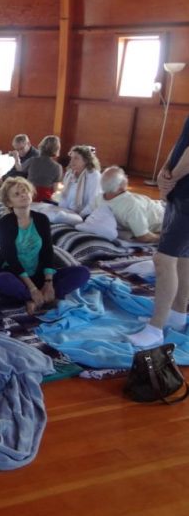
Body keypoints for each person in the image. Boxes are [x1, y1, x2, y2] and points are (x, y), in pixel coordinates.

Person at [128, 114, 189, 347]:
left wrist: (172, 177)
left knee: (163, 260)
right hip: (181, 187)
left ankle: (155, 329)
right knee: (183, 257)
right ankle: (177, 315)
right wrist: (166, 169)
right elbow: (182, 142)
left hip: (186, 191)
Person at [0, 177, 90, 315]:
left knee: (83, 272)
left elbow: (47, 251)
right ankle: (30, 298)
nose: (23, 195)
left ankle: (49, 295)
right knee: (1, 281)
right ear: (9, 202)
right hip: (14, 274)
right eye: (17, 194)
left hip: (39, 275)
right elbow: (11, 258)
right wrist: (32, 289)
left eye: (25, 191)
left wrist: (48, 283)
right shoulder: (5, 223)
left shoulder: (41, 219)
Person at [101, 166, 164, 242]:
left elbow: (86, 216)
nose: (127, 177)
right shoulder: (131, 205)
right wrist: (163, 238)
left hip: (159, 204)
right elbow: (144, 237)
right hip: (166, 214)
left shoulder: (99, 198)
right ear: (120, 187)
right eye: (124, 176)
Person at [57, 145, 102, 217]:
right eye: (71, 158)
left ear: (86, 161)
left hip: (86, 215)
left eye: (76, 158)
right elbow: (63, 198)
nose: (72, 161)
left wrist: (80, 215)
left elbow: (93, 202)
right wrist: (60, 211)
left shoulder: (94, 176)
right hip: (68, 214)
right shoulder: (69, 174)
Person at [21, 135, 63, 202]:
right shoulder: (58, 167)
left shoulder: (32, 160)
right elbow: (56, 189)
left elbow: (20, 169)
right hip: (45, 198)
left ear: (41, 146)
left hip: (29, 194)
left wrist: (16, 158)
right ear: (57, 149)